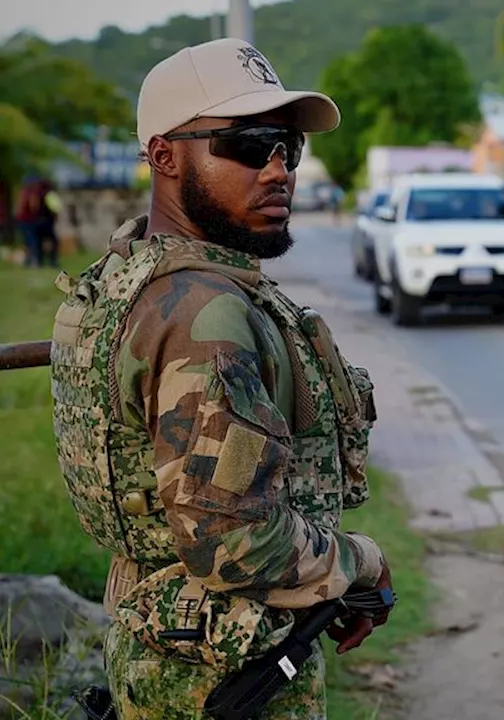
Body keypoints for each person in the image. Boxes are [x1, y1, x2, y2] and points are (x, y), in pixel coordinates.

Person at [48, 38, 392, 719]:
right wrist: (362, 565)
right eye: (247, 145)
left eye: (288, 148)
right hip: (224, 678)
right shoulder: (205, 314)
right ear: (165, 157)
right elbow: (233, 544)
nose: (276, 171)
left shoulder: (134, 275)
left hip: (180, 657)